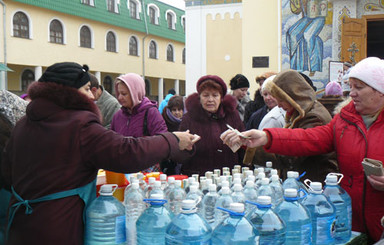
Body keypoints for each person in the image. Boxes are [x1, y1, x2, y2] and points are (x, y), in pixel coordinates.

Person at [0, 62, 195, 245]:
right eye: (86, 89)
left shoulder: (23, 125)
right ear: (67, 93)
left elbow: (8, 176)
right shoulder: (79, 125)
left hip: (19, 225)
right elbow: (127, 152)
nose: (93, 97)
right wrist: (172, 140)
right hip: (58, 229)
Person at [222, 57, 384, 242]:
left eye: (359, 87)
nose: (351, 93)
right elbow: (309, 138)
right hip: (348, 224)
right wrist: (267, 137)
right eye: (351, 86)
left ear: (379, 90)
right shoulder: (344, 120)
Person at [245, 69, 338, 182]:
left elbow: (290, 156)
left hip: (314, 184)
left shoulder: (313, 117)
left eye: (281, 100)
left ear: (293, 97)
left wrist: (252, 148)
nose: (279, 105)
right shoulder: (303, 112)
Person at [179, 75, 245, 176]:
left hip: (228, 177)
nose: (210, 99)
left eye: (215, 95)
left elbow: (244, 145)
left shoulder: (232, 115)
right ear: (199, 97)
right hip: (199, 177)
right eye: (206, 95)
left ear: (221, 98)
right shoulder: (189, 118)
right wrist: (188, 148)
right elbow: (179, 153)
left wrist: (240, 139)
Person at [111, 73, 168, 172]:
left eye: (124, 94)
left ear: (135, 93)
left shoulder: (151, 113)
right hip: (123, 169)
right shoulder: (118, 116)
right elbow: (111, 141)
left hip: (146, 171)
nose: (119, 97)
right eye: (118, 93)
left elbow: (162, 141)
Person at [161, 95, 185, 174]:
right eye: (174, 110)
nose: (177, 112)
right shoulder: (163, 121)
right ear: (170, 111)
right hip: (168, 162)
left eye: (179, 109)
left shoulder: (187, 121)